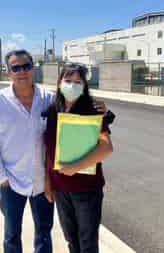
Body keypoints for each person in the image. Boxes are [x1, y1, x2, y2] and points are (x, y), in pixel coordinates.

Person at [0, 50, 112, 253]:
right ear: (9, 71)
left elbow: (102, 140)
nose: (22, 71)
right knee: (12, 235)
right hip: (14, 180)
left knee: (46, 234)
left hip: (47, 183)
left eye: (26, 66)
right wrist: (1, 176)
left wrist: (105, 111)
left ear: (32, 68)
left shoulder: (48, 100)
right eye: (16, 67)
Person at [44, 63, 113, 253]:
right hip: (60, 189)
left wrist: (76, 166)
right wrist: (48, 184)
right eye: (68, 81)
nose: (72, 85)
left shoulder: (92, 110)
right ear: (59, 83)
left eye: (77, 82)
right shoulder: (52, 110)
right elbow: (48, 152)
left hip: (86, 190)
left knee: (87, 243)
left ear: (84, 86)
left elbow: (106, 147)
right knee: (71, 241)